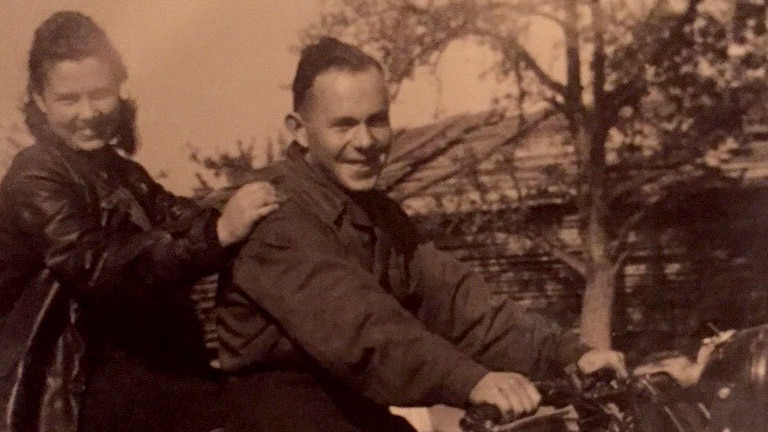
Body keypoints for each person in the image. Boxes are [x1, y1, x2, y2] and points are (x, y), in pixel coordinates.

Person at [216, 36, 627, 432]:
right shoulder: (274, 211)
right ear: (299, 129)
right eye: (343, 126)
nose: (365, 142)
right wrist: (472, 381)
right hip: (280, 415)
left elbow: (461, 304)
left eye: (377, 121)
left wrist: (571, 354)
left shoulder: (378, 212)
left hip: (350, 406)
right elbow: (361, 328)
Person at [0, 11, 281, 432]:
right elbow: (97, 266)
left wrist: (253, 205)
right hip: (74, 379)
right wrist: (218, 233)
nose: (89, 112)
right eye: (69, 99)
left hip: (145, 368)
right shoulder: (35, 174)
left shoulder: (121, 171)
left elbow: (181, 216)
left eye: (100, 93)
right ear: (40, 100)